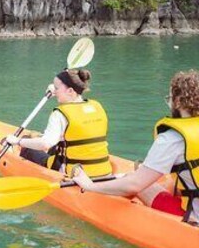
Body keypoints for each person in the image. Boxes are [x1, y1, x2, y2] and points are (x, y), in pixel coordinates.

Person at [73, 70, 199, 224]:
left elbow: (134, 185)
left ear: (178, 102)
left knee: (132, 179)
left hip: (193, 217)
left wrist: (89, 185)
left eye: (170, 98)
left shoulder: (172, 139)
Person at [3, 68, 113, 178]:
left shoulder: (60, 114)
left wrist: (18, 141)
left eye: (56, 88)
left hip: (73, 175)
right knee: (55, 146)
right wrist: (57, 89)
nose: (54, 91)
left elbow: (45, 144)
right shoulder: (97, 106)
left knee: (28, 149)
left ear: (70, 91)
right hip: (104, 172)